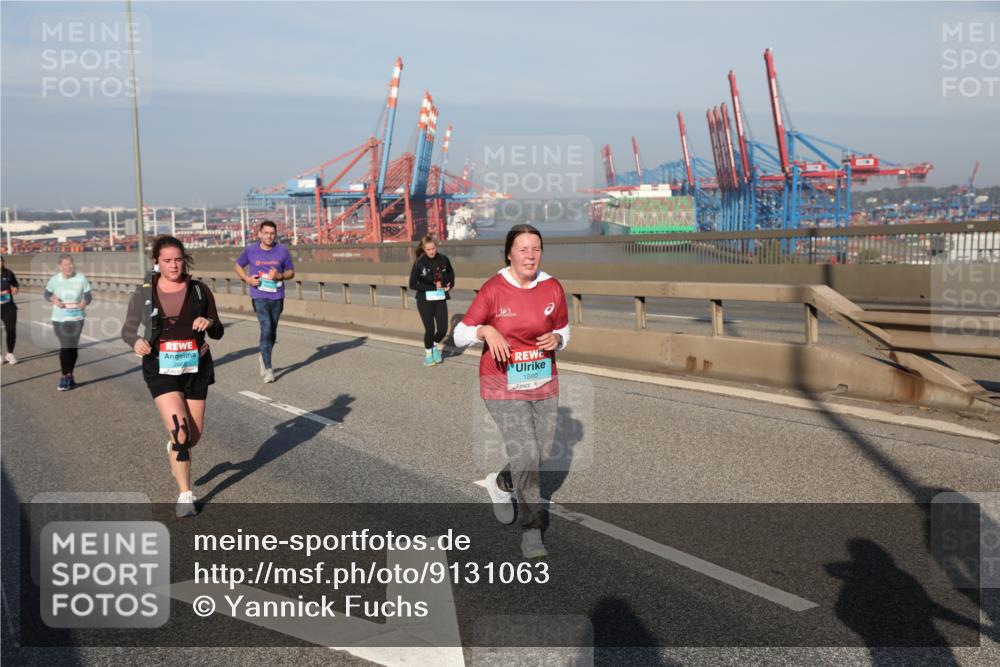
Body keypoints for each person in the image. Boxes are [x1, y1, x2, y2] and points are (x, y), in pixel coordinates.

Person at [453, 224, 570, 559]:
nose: (530, 255)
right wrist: (486, 330)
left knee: (541, 454)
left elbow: (564, 329)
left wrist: (558, 339)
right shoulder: (494, 289)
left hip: (543, 381)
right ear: (509, 253)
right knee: (527, 454)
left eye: (536, 248)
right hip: (501, 382)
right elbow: (460, 334)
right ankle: (532, 531)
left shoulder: (552, 288)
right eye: (523, 249)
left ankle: (502, 483)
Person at [121, 236, 225, 517]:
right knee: (181, 431)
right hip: (160, 368)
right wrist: (135, 342)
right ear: (157, 262)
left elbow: (218, 330)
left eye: (178, 259)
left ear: (184, 259)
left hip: (196, 368)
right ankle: (185, 494)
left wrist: (209, 322)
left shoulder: (200, 291)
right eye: (167, 260)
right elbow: (128, 329)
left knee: (193, 436)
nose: (173, 265)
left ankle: (177, 445)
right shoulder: (145, 294)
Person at [234, 220, 295, 383]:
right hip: (259, 295)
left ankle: (263, 354)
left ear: (276, 234)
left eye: (272, 233)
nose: (269, 236)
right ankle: (268, 369)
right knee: (266, 327)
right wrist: (247, 279)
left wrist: (280, 276)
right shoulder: (251, 250)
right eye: (266, 233)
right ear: (260, 234)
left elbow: (291, 272)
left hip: (277, 296)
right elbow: (238, 265)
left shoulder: (282, 250)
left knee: (272, 332)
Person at [43, 254, 92, 390]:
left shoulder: (81, 278)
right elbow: (46, 294)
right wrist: (54, 300)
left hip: (77, 318)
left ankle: (70, 375)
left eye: (70, 264)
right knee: (66, 346)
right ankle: (64, 377)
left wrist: (84, 302)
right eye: (65, 264)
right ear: (60, 266)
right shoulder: (54, 280)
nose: (68, 267)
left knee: (73, 347)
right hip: (60, 319)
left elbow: (88, 295)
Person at [408, 234, 455, 366]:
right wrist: (432, 286)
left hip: (440, 298)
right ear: (423, 249)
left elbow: (451, 275)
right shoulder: (419, 263)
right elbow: (412, 284)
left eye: (433, 248)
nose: (431, 252)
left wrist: (449, 285)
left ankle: (434, 346)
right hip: (424, 299)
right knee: (429, 330)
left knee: (442, 329)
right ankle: (428, 354)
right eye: (428, 249)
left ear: (436, 247)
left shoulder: (444, 259)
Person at [1, 256, 19, 364]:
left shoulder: (8, 273)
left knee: (11, 330)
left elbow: (15, 285)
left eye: (0, 261)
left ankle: (10, 354)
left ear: (3, 262)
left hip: (8, 306)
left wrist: (15, 289)